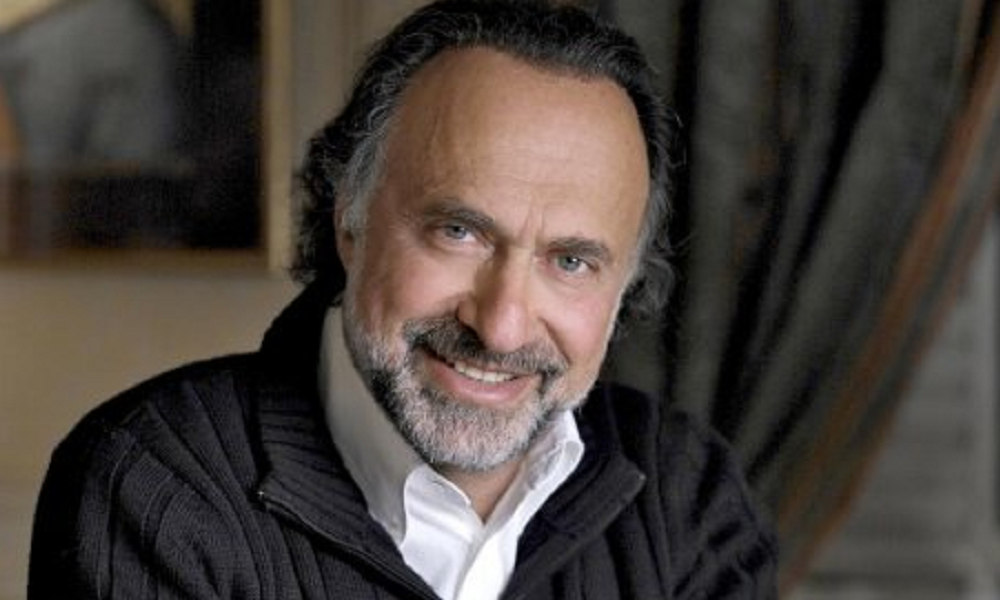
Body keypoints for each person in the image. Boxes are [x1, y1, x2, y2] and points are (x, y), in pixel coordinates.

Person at [28, 1, 778, 598]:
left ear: (626, 284)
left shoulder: (687, 496)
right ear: (349, 218)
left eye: (572, 261)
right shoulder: (157, 481)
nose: (501, 325)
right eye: (459, 232)